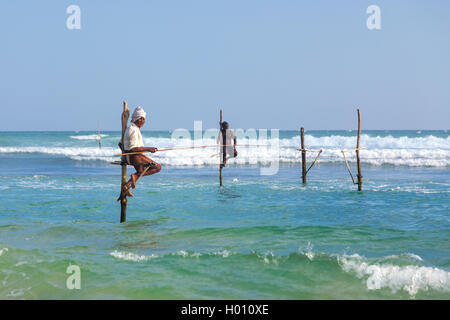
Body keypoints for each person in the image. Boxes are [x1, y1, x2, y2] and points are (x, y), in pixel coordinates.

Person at [121, 106, 161, 197]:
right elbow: (133, 149)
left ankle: (127, 186)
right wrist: (149, 149)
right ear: (140, 119)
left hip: (132, 157)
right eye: (143, 119)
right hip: (135, 157)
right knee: (157, 167)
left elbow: (121, 144)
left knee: (140, 171)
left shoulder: (132, 128)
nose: (144, 122)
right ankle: (133, 178)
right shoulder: (133, 130)